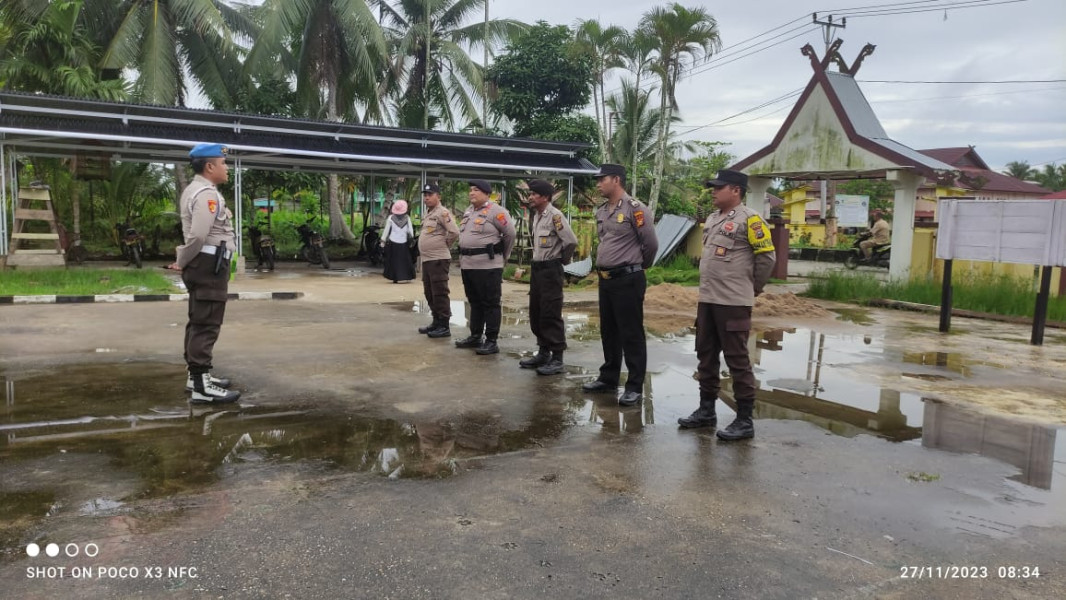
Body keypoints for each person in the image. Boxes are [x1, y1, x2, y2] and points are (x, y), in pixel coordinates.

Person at [678, 169, 775, 441]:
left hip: (733, 302)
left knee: (737, 360)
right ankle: (706, 410)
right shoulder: (712, 219)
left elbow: (766, 259)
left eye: (718, 187)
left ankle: (744, 420)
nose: (713, 191)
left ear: (735, 190)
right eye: (712, 187)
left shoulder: (751, 220)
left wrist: (751, 288)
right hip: (708, 300)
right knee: (705, 356)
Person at [167, 143, 241, 404]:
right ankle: (201, 387)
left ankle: (195, 377)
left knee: (199, 319)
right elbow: (198, 235)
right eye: (222, 163)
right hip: (209, 265)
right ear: (210, 167)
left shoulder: (198, 190)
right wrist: (182, 260)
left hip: (207, 264)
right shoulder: (206, 194)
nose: (226, 168)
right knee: (207, 323)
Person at [581, 164, 659, 406]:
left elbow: (651, 245)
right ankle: (608, 378)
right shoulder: (603, 210)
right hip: (606, 280)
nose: (598, 184)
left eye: (601, 179)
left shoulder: (636, 209)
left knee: (631, 333)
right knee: (609, 331)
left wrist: (636, 267)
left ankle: (634, 386)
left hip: (628, 279)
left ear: (616, 180)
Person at [519, 179, 578, 376]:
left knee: (550, 312)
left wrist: (561, 261)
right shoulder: (537, 216)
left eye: (534, 194)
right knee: (536, 312)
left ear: (544, 196)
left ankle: (557, 358)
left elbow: (570, 241)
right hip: (537, 269)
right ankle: (543, 352)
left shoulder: (555, 216)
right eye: (530, 194)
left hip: (551, 269)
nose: (530, 197)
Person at [454, 179, 516, 355]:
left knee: (490, 303)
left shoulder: (497, 211)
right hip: (468, 265)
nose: (471, 193)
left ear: (487, 193)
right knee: (475, 302)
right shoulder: (468, 211)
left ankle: (491, 340)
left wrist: (503, 257)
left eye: (476, 190)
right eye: (470, 190)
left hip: (488, 266)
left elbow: (510, 234)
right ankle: (475, 336)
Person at [417, 182, 460, 338]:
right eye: (425, 195)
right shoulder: (429, 213)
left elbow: (454, 232)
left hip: (438, 259)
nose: (427, 198)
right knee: (429, 292)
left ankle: (444, 325)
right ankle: (436, 322)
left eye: (430, 195)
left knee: (439, 292)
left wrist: (444, 245)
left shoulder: (442, 212)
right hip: (428, 260)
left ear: (438, 196)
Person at [380, 199, 416, 283]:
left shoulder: (391, 218)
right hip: (404, 242)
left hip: (393, 242)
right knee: (405, 260)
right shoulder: (407, 218)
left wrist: (383, 241)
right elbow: (410, 231)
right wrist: (411, 239)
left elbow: (386, 231)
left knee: (394, 261)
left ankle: (395, 277)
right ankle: (406, 276)